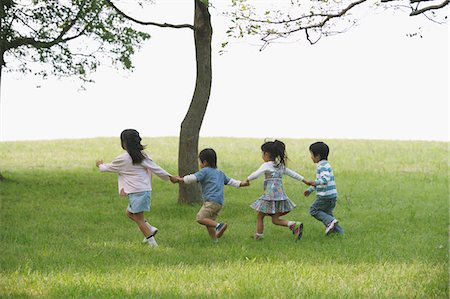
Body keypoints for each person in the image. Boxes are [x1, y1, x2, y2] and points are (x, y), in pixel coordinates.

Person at [96, 129, 178, 248]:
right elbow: (156, 168)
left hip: (136, 193)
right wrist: (169, 177)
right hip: (143, 191)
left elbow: (106, 168)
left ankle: (153, 244)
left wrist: (100, 164)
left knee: (139, 219)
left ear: (124, 143)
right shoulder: (142, 156)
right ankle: (150, 228)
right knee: (129, 213)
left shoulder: (123, 158)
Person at [177, 148, 249, 242]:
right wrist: (242, 183)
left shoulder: (205, 171)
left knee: (200, 218)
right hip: (219, 202)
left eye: (200, 162)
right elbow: (231, 181)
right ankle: (215, 241)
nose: (200, 164)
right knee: (209, 222)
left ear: (205, 162)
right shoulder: (220, 173)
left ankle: (219, 225)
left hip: (211, 201)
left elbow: (192, 178)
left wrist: (180, 179)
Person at [244, 140, 307, 241]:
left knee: (260, 216)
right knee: (275, 220)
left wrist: (247, 180)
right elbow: (293, 173)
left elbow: (255, 174)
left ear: (266, 154)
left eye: (262, 153)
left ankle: (258, 236)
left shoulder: (266, 165)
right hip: (279, 196)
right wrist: (305, 180)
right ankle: (294, 225)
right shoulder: (279, 166)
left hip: (269, 196)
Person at [303, 141, 344, 235]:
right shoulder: (326, 165)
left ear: (317, 156)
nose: (311, 157)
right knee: (328, 214)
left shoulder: (321, 166)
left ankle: (330, 222)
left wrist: (314, 182)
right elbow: (320, 181)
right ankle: (340, 233)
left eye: (311, 154)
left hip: (325, 196)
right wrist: (310, 190)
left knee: (314, 210)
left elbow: (324, 179)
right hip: (332, 196)